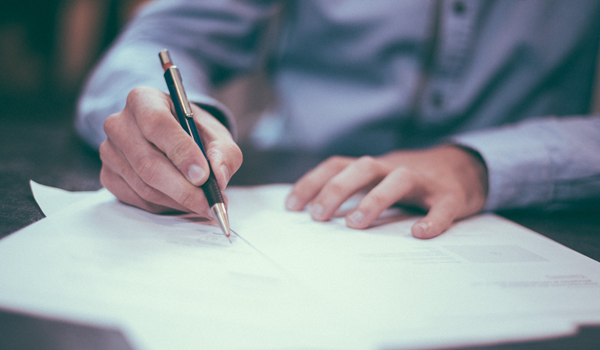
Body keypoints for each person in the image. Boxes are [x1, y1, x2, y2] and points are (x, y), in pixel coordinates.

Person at [76, 0, 600, 239]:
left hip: (529, 217)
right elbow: (158, 42)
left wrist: (480, 164)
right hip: (295, 195)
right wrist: (178, 126)